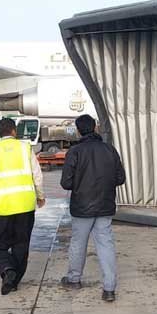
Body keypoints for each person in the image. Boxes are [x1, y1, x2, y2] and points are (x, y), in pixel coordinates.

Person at [60, 114, 125, 302]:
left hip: (82, 207)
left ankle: (74, 279)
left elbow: (66, 183)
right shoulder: (109, 150)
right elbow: (120, 178)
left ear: (78, 130)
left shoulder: (75, 152)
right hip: (105, 205)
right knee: (106, 244)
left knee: (78, 243)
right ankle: (109, 288)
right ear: (95, 128)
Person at [0, 118, 46, 295]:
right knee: (21, 244)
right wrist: (40, 197)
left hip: (0, 206)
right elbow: (36, 175)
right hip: (24, 204)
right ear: (14, 131)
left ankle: (7, 269)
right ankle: (14, 280)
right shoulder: (25, 148)